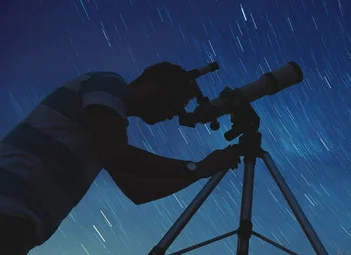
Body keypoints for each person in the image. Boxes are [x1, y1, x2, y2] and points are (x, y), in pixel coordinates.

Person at [0, 62, 241, 254]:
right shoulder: (108, 84)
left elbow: (138, 191)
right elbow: (116, 155)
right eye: (176, 103)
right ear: (156, 85)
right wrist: (194, 166)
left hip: (19, 226)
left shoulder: (105, 129)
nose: (175, 114)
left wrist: (200, 171)